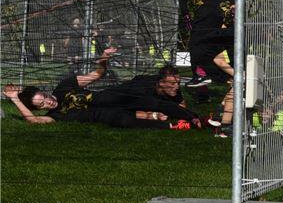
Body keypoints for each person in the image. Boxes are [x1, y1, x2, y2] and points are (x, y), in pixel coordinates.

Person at [4, 52, 199, 130]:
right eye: (42, 104)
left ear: (45, 91)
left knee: (151, 102)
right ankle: (176, 126)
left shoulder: (63, 86)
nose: (48, 102)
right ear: (40, 109)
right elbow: (33, 121)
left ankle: (195, 118)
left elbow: (97, 74)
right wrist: (14, 98)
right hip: (104, 115)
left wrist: (104, 59)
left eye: (45, 97)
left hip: (112, 97)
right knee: (127, 121)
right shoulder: (55, 116)